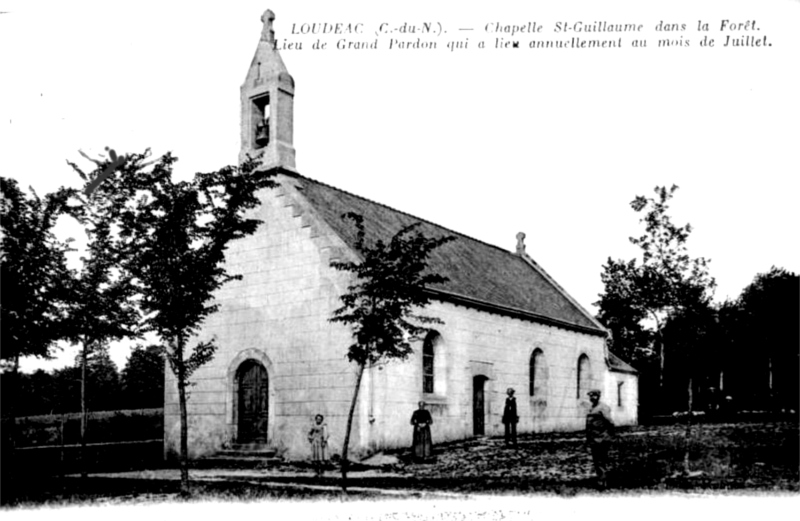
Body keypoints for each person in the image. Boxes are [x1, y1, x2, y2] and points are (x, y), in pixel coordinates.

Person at [585, 389, 615, 488]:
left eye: (594, 396)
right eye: (590, 396)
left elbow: (610, 423)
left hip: (602, 438)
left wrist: (609, 436)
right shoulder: (592, 408)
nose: (592, 398)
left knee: (601, 460)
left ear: (598, 396)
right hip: (594, 438)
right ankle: (601, 479)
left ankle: (603, 481)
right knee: (597, 460)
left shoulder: (603, 408)